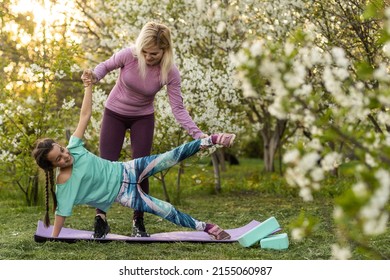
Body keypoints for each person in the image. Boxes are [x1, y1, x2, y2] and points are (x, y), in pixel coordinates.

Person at [32, 70, 236, 240]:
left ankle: (210, 140)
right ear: (52, 166)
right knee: (165, 210)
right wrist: (53, 236)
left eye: (62, 150)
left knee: (169, 157)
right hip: (124, 196)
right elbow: (61, 213)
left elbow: (85, 115)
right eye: (58, 159)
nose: (65, 156)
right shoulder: (64, 183)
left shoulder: (74, 147)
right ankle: (208, 228)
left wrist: (88, 86)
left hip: (127, 169)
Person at [83, 21, 208, 238]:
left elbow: (178, 109)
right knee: (107, 166)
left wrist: (198, 135)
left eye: (154, 54)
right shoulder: (128, 56)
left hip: (143, 118)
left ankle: (138, 220)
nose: (148, 57)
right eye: (145, 52)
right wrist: (94, 75)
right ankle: (100, 218)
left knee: (142, 169)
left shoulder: (169, 72)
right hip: (114, 113)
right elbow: (104, 66)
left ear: (165, 51)